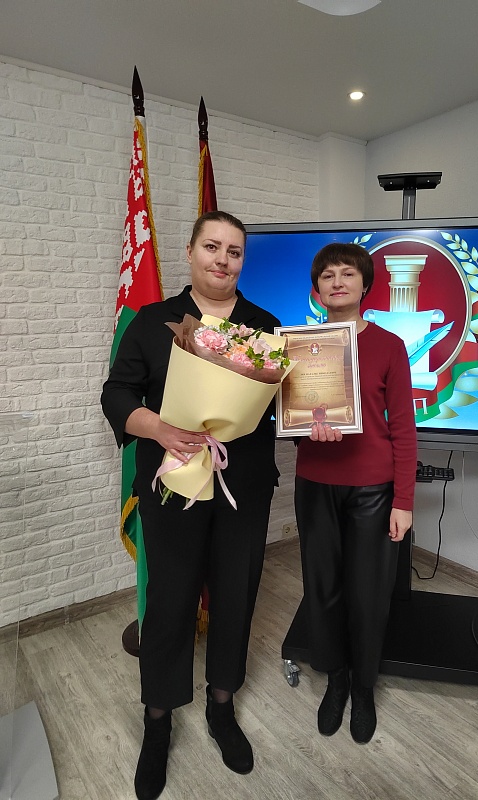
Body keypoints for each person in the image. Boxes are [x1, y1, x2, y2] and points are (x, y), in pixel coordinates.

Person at [101, 211, 280, 800]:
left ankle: (221, 707)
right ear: (190, 252)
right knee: (170, 603)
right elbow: (116, 393)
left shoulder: (264, 326)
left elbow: (280, 407)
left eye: (234, 251)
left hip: (242, 487)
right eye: (212, 247)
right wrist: (158, 427)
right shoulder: (152, 320)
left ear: (242, 261)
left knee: (235, 596)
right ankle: (158, 723)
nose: (222, 259)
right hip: (172, 483)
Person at [294, 242, 417, 744]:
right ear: (317, 289)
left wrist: (403, 501)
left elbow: (404, 428)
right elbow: (290, 415)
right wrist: (302, 429)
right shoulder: (299, 346)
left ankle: (364, 686)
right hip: (315, 482)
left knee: (368, 594)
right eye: (327, 276)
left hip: (373, 488)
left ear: (365, 285)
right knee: (322, 589)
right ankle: (336, 678)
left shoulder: (389, 345)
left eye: (347, 273)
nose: (337, 282)